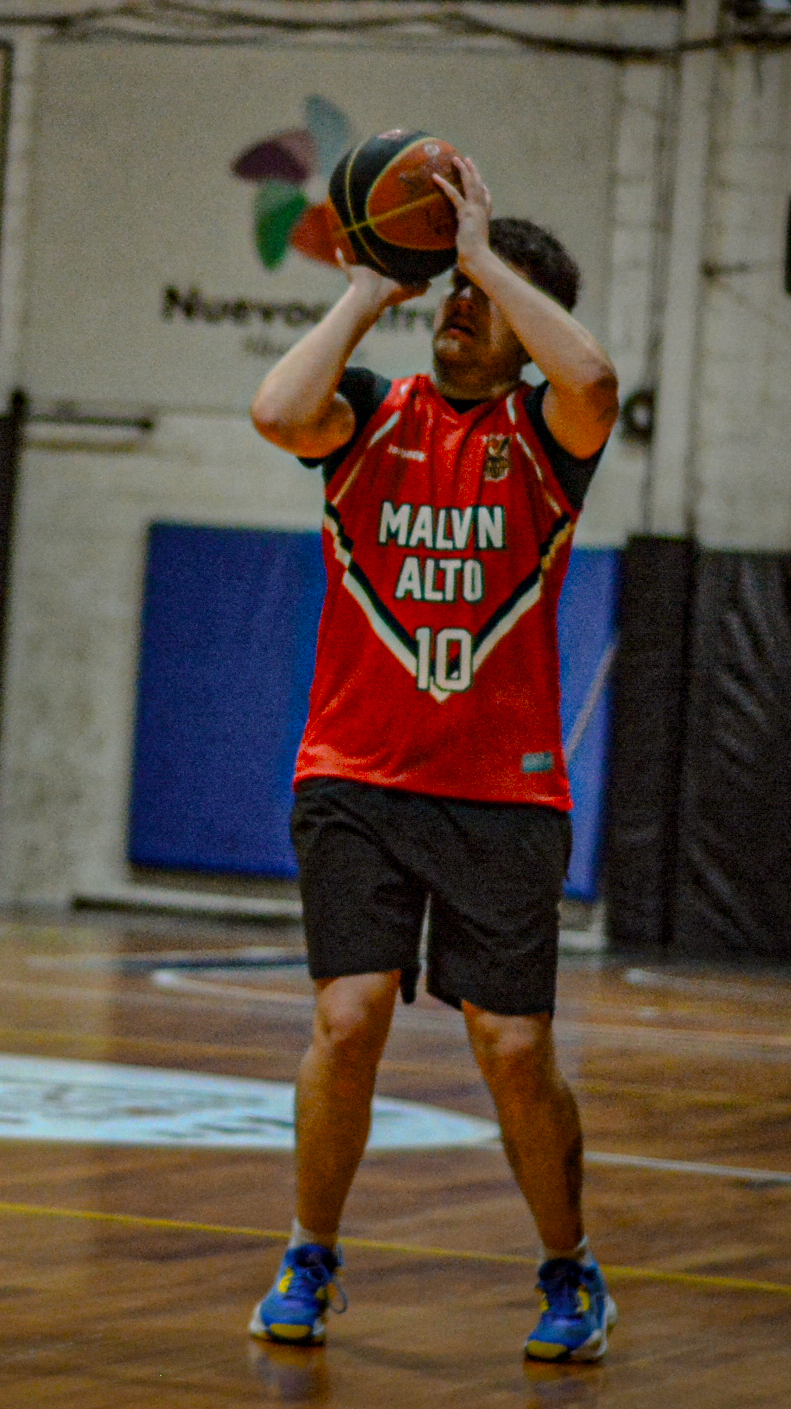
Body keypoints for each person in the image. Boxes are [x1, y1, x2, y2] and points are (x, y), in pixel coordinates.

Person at [245, 155, 619, 1361]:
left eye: (480, 303)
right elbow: (275, 413)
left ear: (518, 320)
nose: (459, 311)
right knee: (348, 1019)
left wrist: (485, 260)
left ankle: (569, 1267)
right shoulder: (370, 411)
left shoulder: (548, 434)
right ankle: (309, 1253)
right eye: (451, 297)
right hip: (355, 776)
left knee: (512, 1050)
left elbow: (595, 380)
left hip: (501, 794)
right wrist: (368, 288)